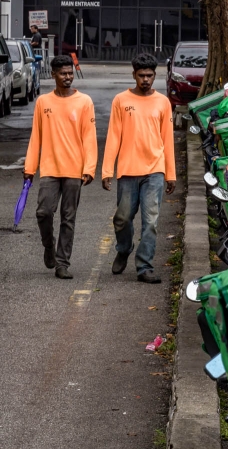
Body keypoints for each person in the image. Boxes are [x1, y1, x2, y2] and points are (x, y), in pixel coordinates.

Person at [102, 53, 176, 283]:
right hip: (127, 171)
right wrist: (106, 171)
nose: (146, 80)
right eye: (141, 75)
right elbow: (113, 137)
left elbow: (168, 140)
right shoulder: (121, 100)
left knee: (151, 221)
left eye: (150, 75)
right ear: (133, 74)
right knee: (122, 219)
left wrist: (170, 174)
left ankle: (145, 266)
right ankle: (124, 249)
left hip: (155, 170)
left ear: (155, 75)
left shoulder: (163, 102)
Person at [23, 55, 97, 279]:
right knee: (43, 212)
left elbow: (89, 137)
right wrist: (30, 167)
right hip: (49, 168)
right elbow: (36, 136)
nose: (68, 77)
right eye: (63, 73)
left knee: (68, 218)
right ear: (53, 74)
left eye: (70, 73)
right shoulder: (43, 102)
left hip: (75, 169)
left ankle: (62, 263)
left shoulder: (84, 101)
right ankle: (49, 245)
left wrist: (90, 168)